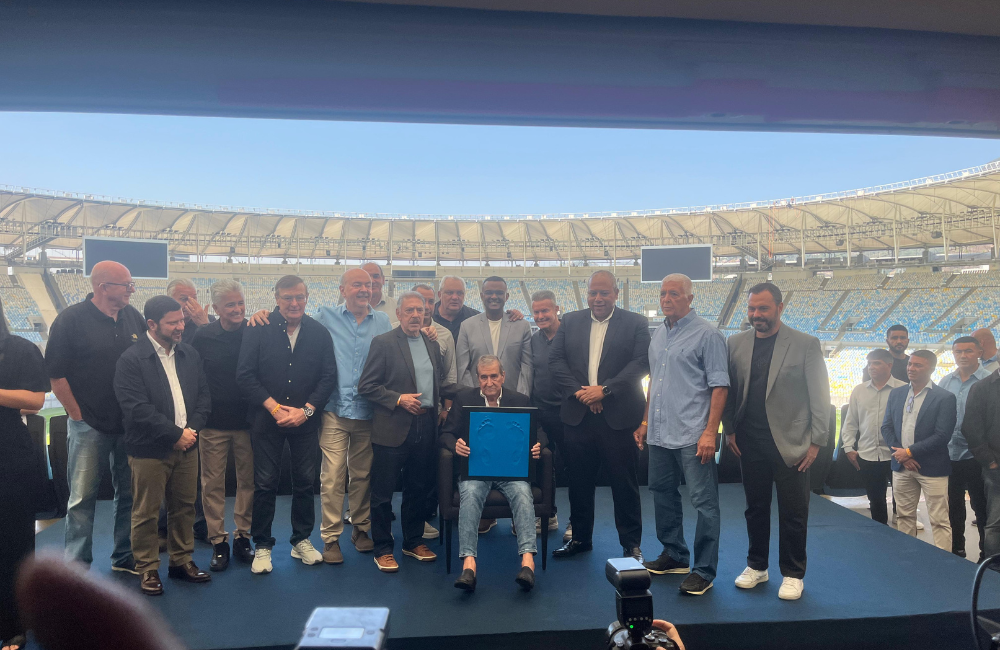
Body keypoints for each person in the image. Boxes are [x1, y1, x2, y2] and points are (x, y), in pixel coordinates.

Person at [722, 282, 830, 601]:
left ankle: (793, 573)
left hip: (793, 443)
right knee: (755, 508)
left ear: (780, 308)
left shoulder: (805, 343)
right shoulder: (736, 343)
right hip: (748, 441)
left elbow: (820, 397)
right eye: (752, 308)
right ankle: (757, 566)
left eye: (764, 308)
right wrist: (729, 429)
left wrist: (816, 443)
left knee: (794, 511)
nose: (757, 315)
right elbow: (729, 390)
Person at [46, 260, 145, 573]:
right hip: (89, 426)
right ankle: (77, 567)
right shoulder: (70, 320)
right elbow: (56, 375)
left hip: (130, 425)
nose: (132, 289)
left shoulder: (133, 317)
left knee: (129, 495)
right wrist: (78, 416)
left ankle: (124, 557)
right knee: (82, 499)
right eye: (126, 284)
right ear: (104, 288)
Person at [634, 274, 728, 596]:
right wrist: (645, 423)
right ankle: (674, 554)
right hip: (660, 433)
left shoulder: (708, 335)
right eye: (662, 293)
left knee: (704, 502)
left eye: (674, 293)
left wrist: (710, 432)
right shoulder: (658, 334)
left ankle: (704, 570)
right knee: (662, 492)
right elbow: (654, 386)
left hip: (692, 434)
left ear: (690, 298)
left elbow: (719, 386)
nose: (666, 299)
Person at [236, 275, 338, 575]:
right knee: (265, 484)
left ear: (307, 298)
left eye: (300, 297)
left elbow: (328, 377)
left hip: (305, 422)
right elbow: (245, 375)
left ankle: (301, 540)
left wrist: (305, 411)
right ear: (276, 298)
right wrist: (276, 408)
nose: (294, 303)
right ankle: (263, 545)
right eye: (287, 298)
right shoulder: (258, 329)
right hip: (266, 421)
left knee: (305, 483)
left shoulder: (319, 333)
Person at [114, 296, 212, 596]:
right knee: (146, 512)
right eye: (173, 322)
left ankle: (181, 561)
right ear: (152, 324)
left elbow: (204, 397)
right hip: (149, 450)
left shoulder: (189, 354)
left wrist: (191, 431)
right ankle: (148, 569)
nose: (181, 326)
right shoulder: (131, 359)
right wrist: (174, 434)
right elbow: (136, 408)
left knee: (183, 508)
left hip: (188, 445)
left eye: (182, 320)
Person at [550, 270, 650, 562]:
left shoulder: (636, 323)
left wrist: (604, 391)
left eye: (604, 293)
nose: (597, 298)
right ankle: (580, 538)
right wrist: (583, 394)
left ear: (616, 294)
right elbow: (555, 362)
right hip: (578, 417)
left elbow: (641, 363)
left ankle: (631, 545)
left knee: (624, 484)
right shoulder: (569, 321)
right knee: (579, 483)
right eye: (593, 292)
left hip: (619, 418)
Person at [358, 292, 452, 572]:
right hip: (392, 427)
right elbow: (367, 386)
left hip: (426, 426)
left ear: (426, 314)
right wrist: (399, 399)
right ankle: (383, 548)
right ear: (398, 314)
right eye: (409, 310)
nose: (415, 315)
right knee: (383, 493)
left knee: (418, 488)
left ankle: (412, 541)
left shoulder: (431, 343)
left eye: (419, 311)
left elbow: (440, 383)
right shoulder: (383, 343)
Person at [439, 355, 544, 592]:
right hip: (476, 470)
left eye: (494, 376)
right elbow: (446, 433)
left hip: (511, 470)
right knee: (472, 494)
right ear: (478, 379)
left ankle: (528, 562)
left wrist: (536, 445)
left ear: (503, 376)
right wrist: (454, 444)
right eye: (484, 377)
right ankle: (469, 565)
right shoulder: (463, 398)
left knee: (522, 493)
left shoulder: (519, 399)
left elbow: (538, 432)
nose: (489, 382)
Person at [313, 268, 391, 563]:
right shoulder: (325, 317)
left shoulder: (383, 321)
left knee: (362, 475)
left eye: (368, 285)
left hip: (369, 411)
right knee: (332, 476)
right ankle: (331, 538)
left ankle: (360, 528)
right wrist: (262, 317)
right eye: (357, 284)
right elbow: (292, 322)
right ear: (342, 289)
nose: (364, 290)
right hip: (334, 409)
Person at [190, 280, 255, 571]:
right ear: (216, 309)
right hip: (213, 424)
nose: (237, 309)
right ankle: (218, 541)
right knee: (212, 485)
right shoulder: (203, 337)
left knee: (248, 483)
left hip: (250, 423)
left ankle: (243, 537)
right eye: (230, 304)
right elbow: (194, 378)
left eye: (240, 303)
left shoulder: (256, 332)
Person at [0, 302, 49, 650]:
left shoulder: (19, 349)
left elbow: (35, 400)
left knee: (14, 543)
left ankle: (15, 622)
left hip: (8, 456)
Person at [880, 350, 956, 551]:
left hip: (932, 467)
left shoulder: (944, 397)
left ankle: (943, 561)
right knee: (904, 516)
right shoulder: (897, 394)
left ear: (931, 369)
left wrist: (910, 452)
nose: (911, 368)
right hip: (901, 466)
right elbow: (886, 427)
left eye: (918, 365)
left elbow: (942, 435)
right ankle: (908, 557)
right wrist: (903, 456)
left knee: (939, 519)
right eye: (910, 364)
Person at [938, 336, 991, 560]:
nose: (963, 356)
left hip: (977, 455)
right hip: (949, 454)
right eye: (958, 351)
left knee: (982, 508)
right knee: (953, 507)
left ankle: (985, 553)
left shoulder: (990, 381)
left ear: (979, 352)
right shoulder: (945, 381)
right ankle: (956, 548)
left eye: (968, 351)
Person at [840, 349, 906, 525]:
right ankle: (881, 536)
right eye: (869, 364)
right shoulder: (859, 390)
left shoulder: (903, 389)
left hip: (897, 454)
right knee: (876, 501)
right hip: (868, 453)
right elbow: (851, 421)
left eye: (876, 363)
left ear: (889, 365)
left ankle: (902, 537)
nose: (872, 367)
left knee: (902, 502)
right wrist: (848, 447)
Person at [455, 276, 532, 395]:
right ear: (482, 296)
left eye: (499, 293)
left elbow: (526, 367)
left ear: (506, 297)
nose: (494, 297)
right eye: (489, 293)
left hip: (512, 398)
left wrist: (521, 396)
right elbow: (462, 368)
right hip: (478, 399)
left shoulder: (522, 326)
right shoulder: (467, 326)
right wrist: (472, 396)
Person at [529, 289, 564, 537]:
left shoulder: (571, 336)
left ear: (556, 309)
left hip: (569, 411)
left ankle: (577, 521)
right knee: (541, 462)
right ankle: (547, 514)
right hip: (541, 410)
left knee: (574, 467)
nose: (541, 316)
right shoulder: (534, 339)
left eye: (545, 311)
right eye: (537, 312)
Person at [963, 357, 1000, 559]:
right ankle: (994, 568)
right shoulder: (982, 388)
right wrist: (990, 461)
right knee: (996, 522)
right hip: (996, 466)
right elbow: (971, 428)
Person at [433, 275, 524, 343]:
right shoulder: (428, 317)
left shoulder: (475, 318)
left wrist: (513, 314)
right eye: (449, 293)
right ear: (440, 295)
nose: (455, 297)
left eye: (460, 293)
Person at [166, 279, 215, 345]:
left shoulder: (210, 321)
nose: (190, 303)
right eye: (184, 299)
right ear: (169, 300)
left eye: (194, 298)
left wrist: (204, 325)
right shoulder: (161, 322)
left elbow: (217, 350)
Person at [361, 262, 398, 326]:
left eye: (376, 276)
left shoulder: (397, 307)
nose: (372, 281)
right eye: (367, 276)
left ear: (383, 280)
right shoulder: (346, 309)